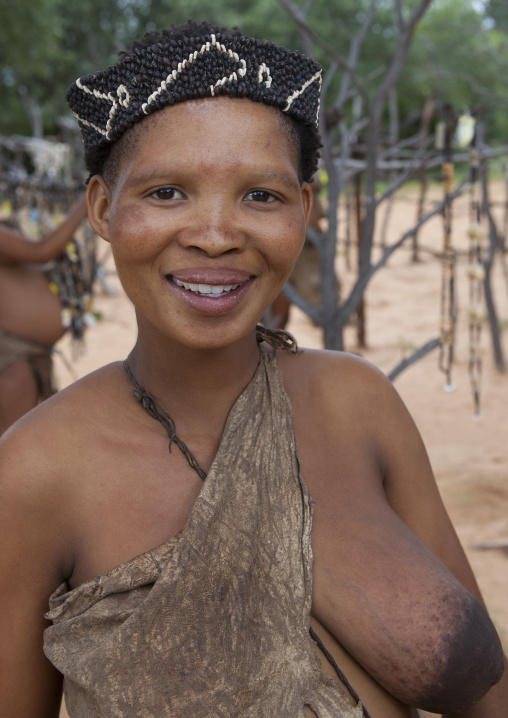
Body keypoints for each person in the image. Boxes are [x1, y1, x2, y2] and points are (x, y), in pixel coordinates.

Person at [0, 20, 506, 718]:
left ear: (303, 211)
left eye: (260, 196)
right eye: (167, 192)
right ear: (102, 210)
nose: (216, 234)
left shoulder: (358, 403)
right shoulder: (36, 470)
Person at [0, 195, 88, 434]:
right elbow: (40, 251)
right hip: (10, 359)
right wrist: (87, 202)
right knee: (13, 445)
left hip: (23, 354)